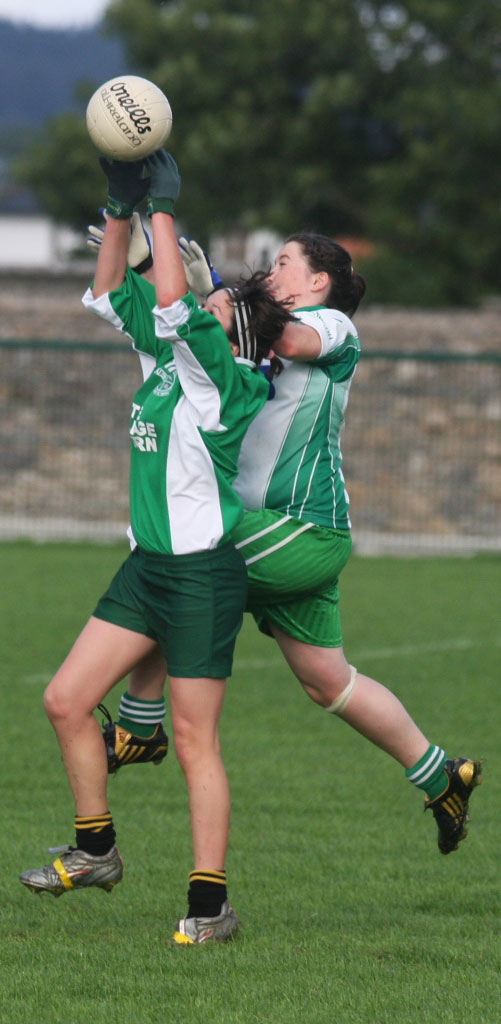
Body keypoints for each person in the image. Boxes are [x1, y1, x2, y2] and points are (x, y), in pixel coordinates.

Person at [105, 229, 482, 861]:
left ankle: (140, 725)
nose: (272, 271)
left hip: (302, 530)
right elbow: (199, 335)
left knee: (183, 561)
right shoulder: (255, 324)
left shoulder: (333, 325)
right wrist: (155, 267)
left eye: (284, 263)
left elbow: (290, 339)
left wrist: (220, 290)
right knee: (328, 682)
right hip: (277, 534)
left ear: (318, 283)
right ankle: (441, 775)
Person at [18, 149, 295, 946]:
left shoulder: (226, 376)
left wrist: (162, 208)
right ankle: (96, 850)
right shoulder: (170, 359)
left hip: (202, 578)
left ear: (234, 329)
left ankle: (210, 908)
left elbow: (172, 297)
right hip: (147, 571)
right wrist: (118, 207)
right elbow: (113, 291)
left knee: (196, 743)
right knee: (66, 701)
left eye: (215, 303)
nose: (199, 305)